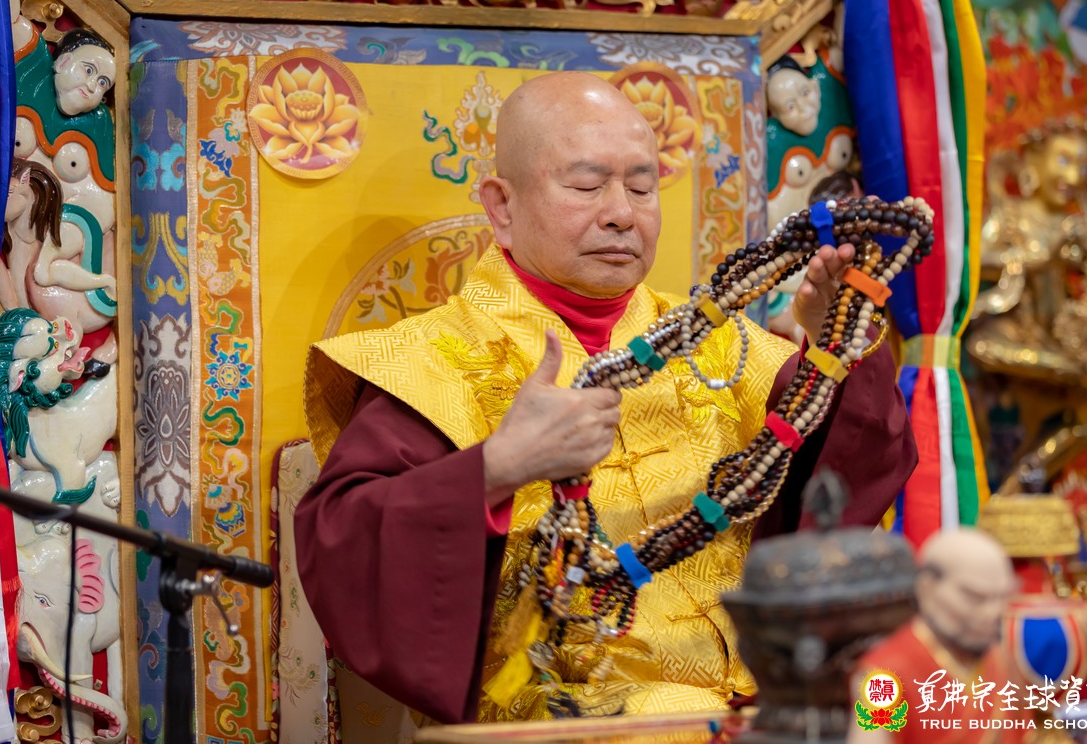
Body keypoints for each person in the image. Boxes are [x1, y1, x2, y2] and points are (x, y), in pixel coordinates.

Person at [297, 71, 917, 724]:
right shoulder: (431, 359)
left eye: (642, 187)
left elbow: (852, 469)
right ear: (502, 207)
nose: (622, 212)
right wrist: (498, 468)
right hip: (551, 719)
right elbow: (346, 543)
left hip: (750, 704)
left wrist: (833, 348)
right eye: (587, 186)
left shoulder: (720, 341)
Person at [847, 528, 1027, 743]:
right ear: (927, 588)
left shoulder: (1001, 659)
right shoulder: (884, 677)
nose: (992, 613)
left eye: (1001, 597)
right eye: (975, 597)